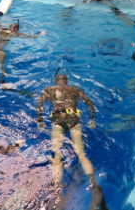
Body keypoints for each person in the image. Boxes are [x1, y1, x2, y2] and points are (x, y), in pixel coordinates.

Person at [36, 74, 109, 210]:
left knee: (57, 154)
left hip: (57, 121)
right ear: (66, 81)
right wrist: (91, 119)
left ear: (56, 81)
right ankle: (93, 185)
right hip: (73, 121)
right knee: (80, 154)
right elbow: (89, 103)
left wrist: (39, 121)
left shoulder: (48, 90)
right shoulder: (75, 90)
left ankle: (57, 191)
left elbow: (39, 105)